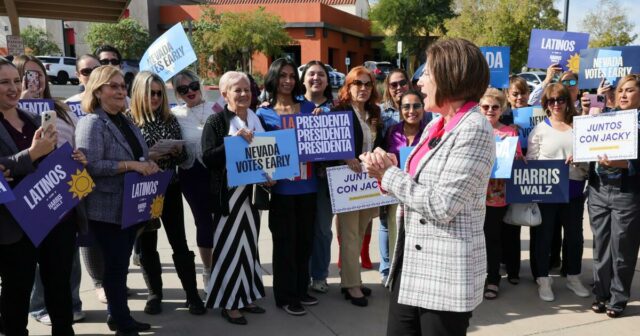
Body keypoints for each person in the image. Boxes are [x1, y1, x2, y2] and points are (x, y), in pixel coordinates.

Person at [361, 38, 495, 335]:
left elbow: (442, 205)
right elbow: (416, 181)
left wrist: (389, 175)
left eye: (428, 74)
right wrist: (385, 170)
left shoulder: (474, 128)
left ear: (451, 76)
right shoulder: (437, 124)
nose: (420, 81)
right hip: (412, 266)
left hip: (444, 274)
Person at [76, 65, 159, 336]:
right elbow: (92, 167)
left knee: (120, 265)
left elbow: (140, 155)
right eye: (113, 86)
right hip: (106, 208)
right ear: (98, 91)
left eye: (123, 86)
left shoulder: (126, 119)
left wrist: (148, 165)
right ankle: (122, 323)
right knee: (114, 267)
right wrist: (131, 165)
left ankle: (118, 316)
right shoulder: (92, 122)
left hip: (131, 204)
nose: (120, 91)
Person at [12, 55, 86, 333]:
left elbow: (75, 141)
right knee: (29, 271)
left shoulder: (62, 108)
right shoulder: (13, 112)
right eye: (28, 75)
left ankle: (68, 307)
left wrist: (79, 156)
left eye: (39, 74)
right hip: (28, 200)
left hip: (62, 195)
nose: (35, 80)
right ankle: (38, 306)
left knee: (63, 265)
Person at [128, 71, 206, 315]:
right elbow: (124, 158)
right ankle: (155, 295)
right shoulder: (128, 120)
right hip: (142, 189)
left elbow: (183, 157)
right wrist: (147, 156)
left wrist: (174, 152)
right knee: (147, 244)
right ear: (140, 92)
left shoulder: (169, 118)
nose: (155, 97)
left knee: (179, 241)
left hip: (169, 187)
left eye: (159, 93)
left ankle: (192, 295)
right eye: (151, 93)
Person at [0, 57, 60, 336]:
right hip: (9, 226)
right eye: (4, 82)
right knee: (14, 297)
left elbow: (13, 167)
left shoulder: (32, 118)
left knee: (49, 284)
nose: (13, 88)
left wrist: (68, 157)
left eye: (16, 81)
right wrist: (32, 154)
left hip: (41, 217)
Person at [201, 71, 265, 325]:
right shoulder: (216, 122)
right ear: (224, 93)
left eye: (247, 89)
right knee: (229, 247)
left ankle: (247, 295)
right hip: (228, 195)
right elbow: (207, 157)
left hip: (252, 194)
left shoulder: (255, 118)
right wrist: (232, 143)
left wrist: (271, 174)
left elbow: (266, 151)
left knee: (249, 246)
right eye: (237, 90)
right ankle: (229, 302)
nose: (243, 94)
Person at [256, 58, 319, 316]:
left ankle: (301, 289)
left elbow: (323, 140)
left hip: (309, 187)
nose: (288, 81)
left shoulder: (309, 108)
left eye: (292, 76)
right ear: (274, 78)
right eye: (283, 75)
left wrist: (321, 120)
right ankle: (285, 296)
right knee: (285, 244)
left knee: (305, 242)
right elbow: (259, 151)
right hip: (281, 190)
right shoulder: (264, 113)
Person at [526, 83, 590, 302]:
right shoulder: (540, 130)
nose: (556, 105)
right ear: (545, 103)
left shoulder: (579, 127)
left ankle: (573, 277)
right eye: (551, 101)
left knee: (574, 237)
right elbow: (532, 162)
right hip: (547, 192)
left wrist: (580, 159)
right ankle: (543, 279)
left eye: (560, 100)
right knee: (544, 237)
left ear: (567, 101)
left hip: (573, 189)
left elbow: (590, 163)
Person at [589, 74, 640, 318]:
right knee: (600, 247)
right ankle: (601, 294)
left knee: (623, 249)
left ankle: (618, 299)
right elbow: (586, 140)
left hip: (627, 192)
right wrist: (577, 154)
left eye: (629, 90)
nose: (623, 95)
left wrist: (624, 164)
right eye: (620, 90)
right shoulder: (605, 118)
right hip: (598, 189)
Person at [333, 65, 384, 307]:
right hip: (346, 179)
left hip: (368, 180)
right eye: (357, 83)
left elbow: (378, 141)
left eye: (367, 84)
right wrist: (345, 156)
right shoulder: (339, 111)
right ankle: (352, 285)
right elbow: (330, 142)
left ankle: (351, 279)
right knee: (350, 233)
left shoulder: (374, 111)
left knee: (362, 232)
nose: (363, 88)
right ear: (349, 86)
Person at [64, 53, 109, 304]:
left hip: (109, 179)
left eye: (96, 70)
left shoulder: (115, 100)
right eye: (85, 72)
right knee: (88, 233)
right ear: (77, 75)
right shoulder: (68, 105)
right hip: (80, 178)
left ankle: (112, 279)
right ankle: (99, 283)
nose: (91, 76)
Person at [171, 70, 217, 288]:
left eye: (193, 86)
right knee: (203, 223)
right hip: (192, 175)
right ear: (178, 94)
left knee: (222, 221)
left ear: (201, 85)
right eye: (183, 89)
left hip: (218, 173)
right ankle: (208, 271)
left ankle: (226, 268)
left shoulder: (217, 109)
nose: (190, 91)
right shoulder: (175, 115)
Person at [479, 88, 523, 300]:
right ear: (479, 108)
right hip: (472, 194)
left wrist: (514, 158)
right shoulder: (473, 130)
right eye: (485, 107)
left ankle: (493, 279)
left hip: (496, 194)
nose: (490, 110)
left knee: (492, 239)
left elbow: (517, 160)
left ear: (502, 109)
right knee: (474, 239)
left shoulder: (509, 132)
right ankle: (477, 278)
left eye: (495, 107)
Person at [381, 90, 428, 286]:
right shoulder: (393, 132)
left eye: (416, 106)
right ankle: (395, 276)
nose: (411, 111)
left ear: (423, 108)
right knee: (396, 234)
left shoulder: (430, 132)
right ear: (399, 110)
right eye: (406, 107)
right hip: (396, 191)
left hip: (419, 192)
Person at [300, 61, 335, 294]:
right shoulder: (293, 106)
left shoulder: (338, 107)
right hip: (299, 179)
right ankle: (300, 275)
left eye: (321, 74)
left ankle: (319, 275)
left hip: (325, 179)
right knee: (301, 229)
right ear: (303, 79)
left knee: (322, 229)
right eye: (311, 74)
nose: (316, 78)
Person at [377, 68, 413, 282]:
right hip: (389, 173)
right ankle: (385, 268)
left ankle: (404, 266)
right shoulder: (381, 113)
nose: (398, 88)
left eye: (402, 83)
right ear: (388, 89)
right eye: (393, 85)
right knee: (385, 222)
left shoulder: (423, 108)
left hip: (413, 176)